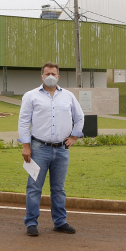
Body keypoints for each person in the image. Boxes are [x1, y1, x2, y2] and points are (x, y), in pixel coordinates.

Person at [17, 62, 84, 237]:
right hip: (38, 148)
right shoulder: (31, 96)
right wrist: (26, 146)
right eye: (47, 73)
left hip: (62, 149)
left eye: (53, 73)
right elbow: (24, 121)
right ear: (42, 76)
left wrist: (74, 137)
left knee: (59, 188)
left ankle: (60, 221)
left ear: (58, 76)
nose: (50, 76)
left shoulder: (68, 96)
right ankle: (31, 222)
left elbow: (80, 117)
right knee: (34, 187)